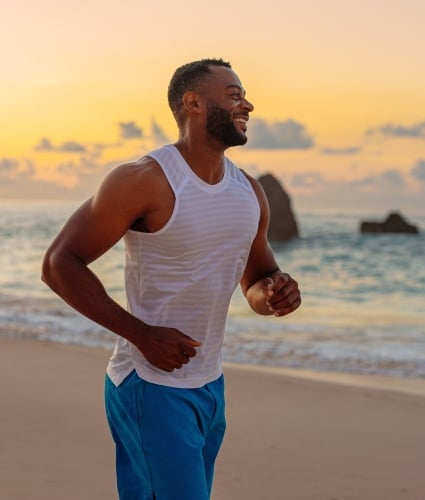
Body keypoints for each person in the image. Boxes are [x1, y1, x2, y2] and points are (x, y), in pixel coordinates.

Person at [42, 58, 301, 500]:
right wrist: (141, 335)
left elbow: (257, 278)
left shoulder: (249, 192)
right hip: (150, 386)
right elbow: (59, 264)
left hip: (210, 385)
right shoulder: (143, 180)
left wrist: (275, 294)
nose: (248, 105)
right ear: (193, 103)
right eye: (234, 95)